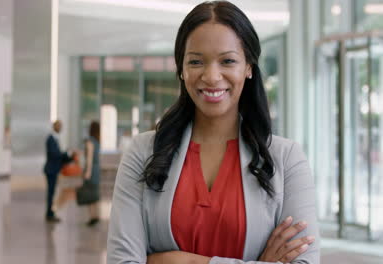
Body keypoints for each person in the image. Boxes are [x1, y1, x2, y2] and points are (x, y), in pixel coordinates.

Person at [107, 2, 320, 264]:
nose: (211, 76)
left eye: (227, 61)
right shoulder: (143, 153)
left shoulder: (286, 160)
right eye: (196, 61)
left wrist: (178, 261)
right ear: (181, 70)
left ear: (249, 67)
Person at [44, 120, 76, 222]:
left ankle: (51, 212)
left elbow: (60, 157)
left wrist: (70, 157)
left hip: (55, 170)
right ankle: (49, 213)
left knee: (52, 192)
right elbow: (55, 155)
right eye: (59, 126)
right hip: (50, 170)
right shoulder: (50, 139)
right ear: (55, 127)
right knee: (51, 192)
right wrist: (66, 154)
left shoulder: (56, 139)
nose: (61, 128)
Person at [83, 121, 101, 226]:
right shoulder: (97, 141)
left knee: (89, 193)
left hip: (91, 170)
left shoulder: (89, 141)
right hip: (96, 169)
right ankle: (96, 215)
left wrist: (87, 172)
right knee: (95, 193)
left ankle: (92, 216)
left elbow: (89, 158)